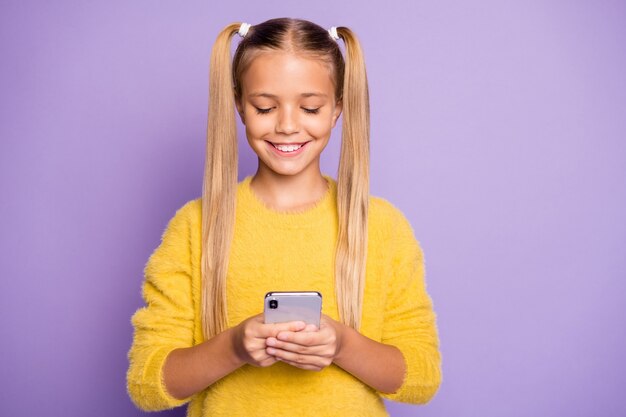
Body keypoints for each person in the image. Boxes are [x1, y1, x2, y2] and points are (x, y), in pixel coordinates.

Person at [127, 17, 442, 417]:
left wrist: (343, 345)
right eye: (265, 106)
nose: (288, 125)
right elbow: (147, 384)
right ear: (239, 104)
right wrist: (235, 346)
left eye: (310, 107)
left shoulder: (383, 227)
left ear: (337, 109)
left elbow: (421, 377)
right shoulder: (196, 227)